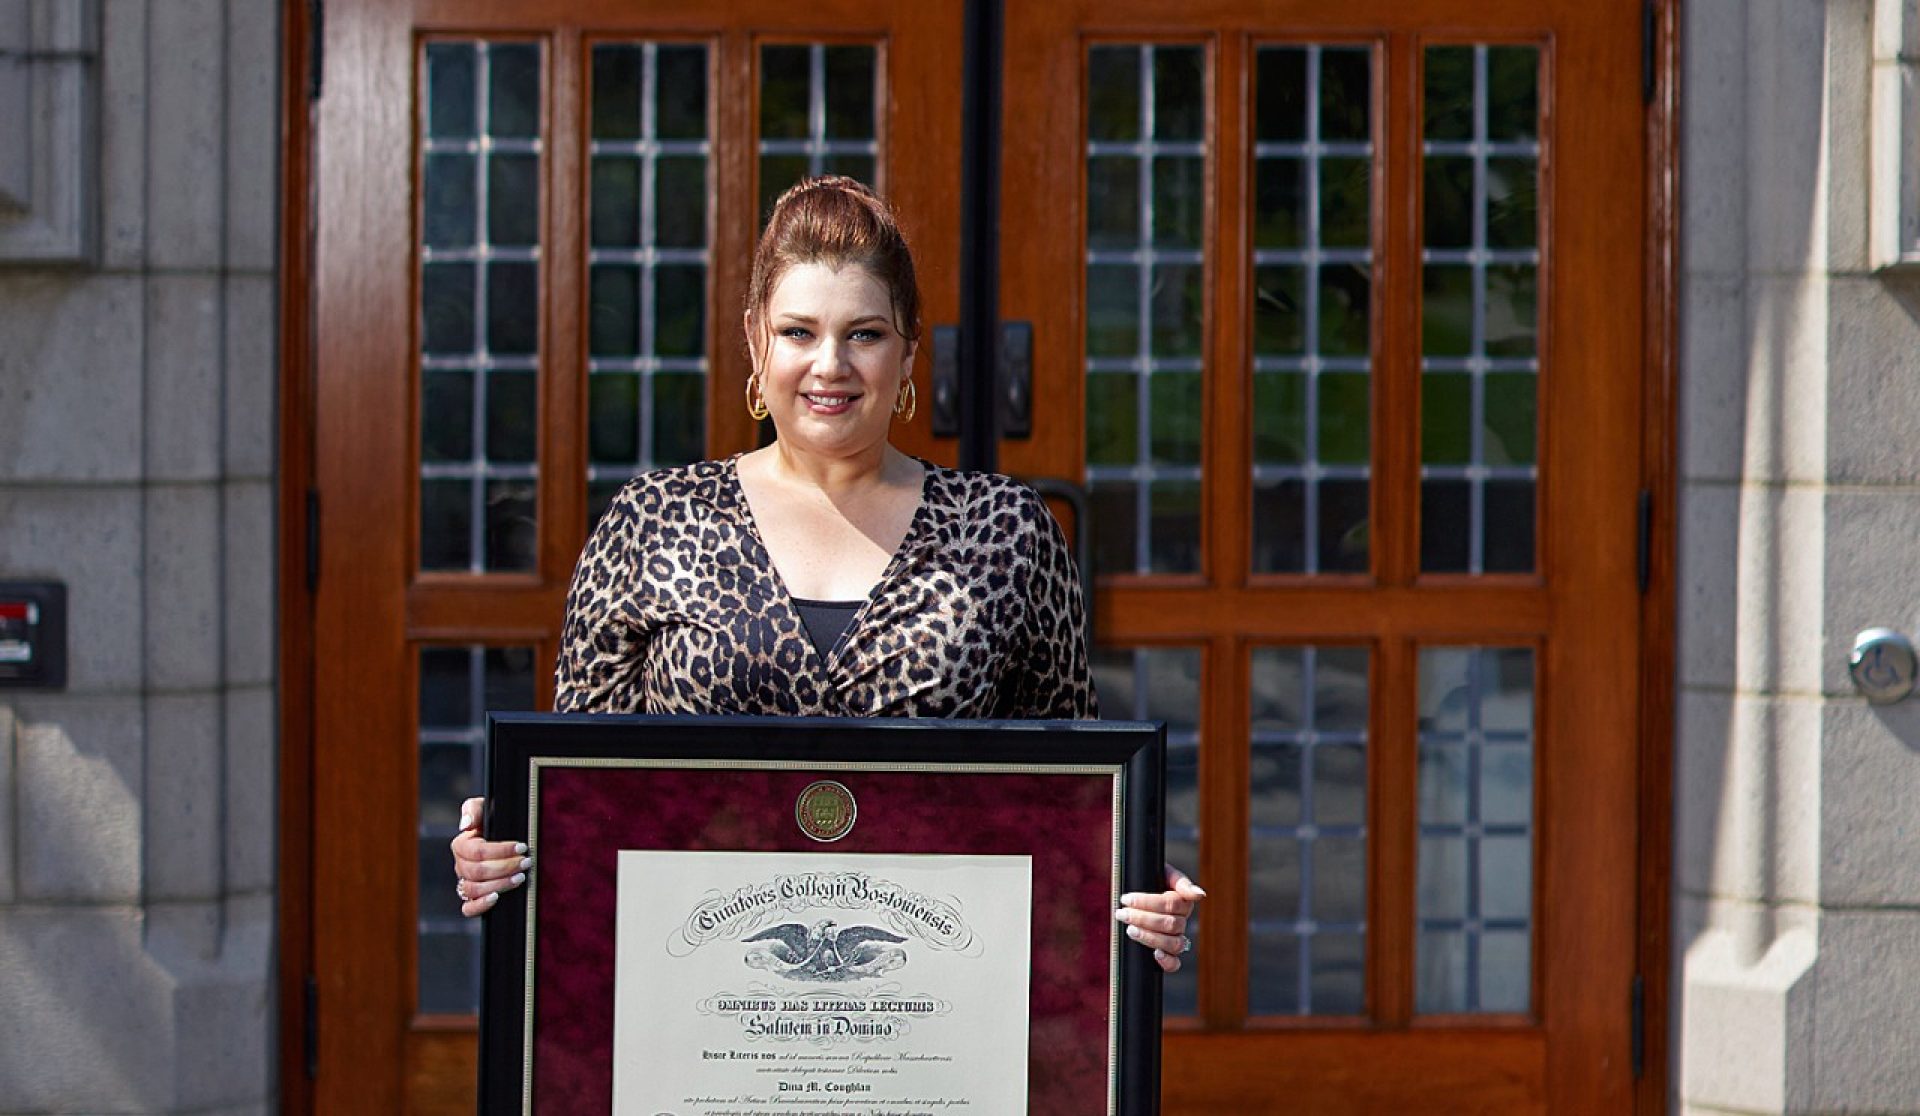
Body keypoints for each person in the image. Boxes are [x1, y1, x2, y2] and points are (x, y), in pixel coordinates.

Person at [450, 176, 1203, 969]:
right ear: (755, 341)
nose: (830, 365)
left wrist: (1140, 891)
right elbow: (585, 801)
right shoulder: (653, 521)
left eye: (865, 334)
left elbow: (1066, 804)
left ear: (910, 346)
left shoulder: (1009, 532)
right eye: (799, 331)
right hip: (702, 996)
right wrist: (504, 849)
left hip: (931, 1002)